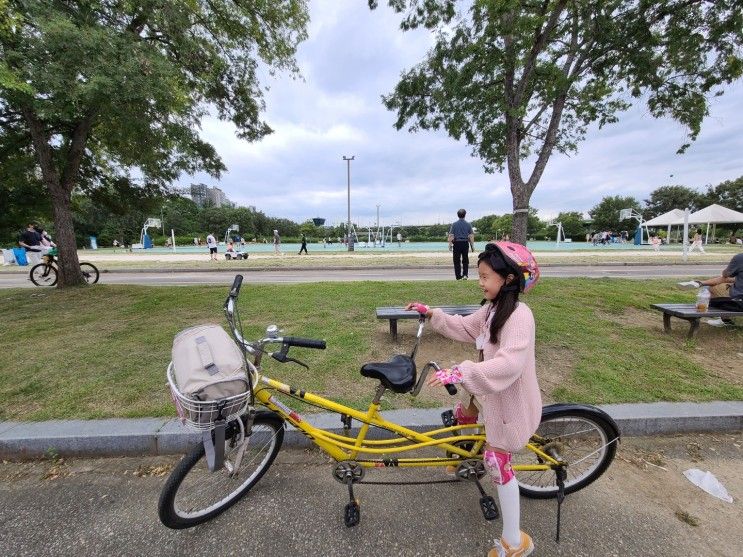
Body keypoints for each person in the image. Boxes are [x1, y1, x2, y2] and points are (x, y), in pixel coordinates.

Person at [406, 241, 541, 557]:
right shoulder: (493, 308)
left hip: (509, 403)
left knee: (497, 461)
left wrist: (460, 372)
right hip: (488, 393)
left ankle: (515, 543)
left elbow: (510, 364)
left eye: (485, 276)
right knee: (462, 415)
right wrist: (433, 314)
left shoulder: (520, 316)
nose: (480, 282)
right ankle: (464, 457)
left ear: (507, 279)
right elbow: (466, 327)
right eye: (479, 275)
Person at [678, 253, 743, 325]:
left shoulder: (740, 258)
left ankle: (725, 320)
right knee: (724, 281)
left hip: (739, 302)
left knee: (712, 288)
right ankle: (700, 283)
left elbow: (725, 274)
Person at [448, 208, 475, 280]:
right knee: (465, 260)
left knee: (456, 260)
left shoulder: (454, 224)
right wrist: (472, 246)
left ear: (457, 215)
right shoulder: (468, 224)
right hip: (465, 243)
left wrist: (450, 245)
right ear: (465, 215)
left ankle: (458, 276)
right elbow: (471, 236)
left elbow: (451, 235)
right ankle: (465, 275)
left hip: (456, 243)